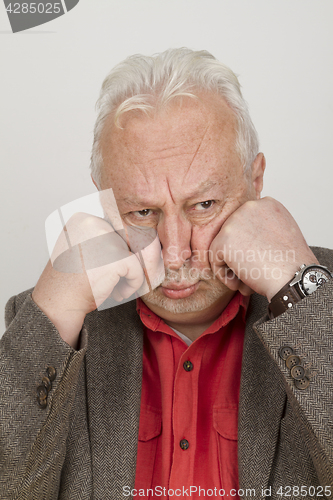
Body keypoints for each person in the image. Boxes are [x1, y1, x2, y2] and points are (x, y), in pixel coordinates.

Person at [1, 48, 333, 500]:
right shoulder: (51, 323)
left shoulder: (321, 298)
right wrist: (55, 307)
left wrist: (300, 291)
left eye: (204, 205)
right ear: (102, 202)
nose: (174, 253)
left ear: (255, 182)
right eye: (142, 211)